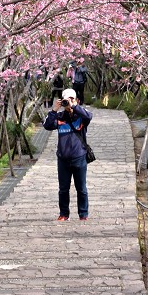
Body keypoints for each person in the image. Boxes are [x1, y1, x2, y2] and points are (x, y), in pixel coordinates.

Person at [43, 88, 93, 221]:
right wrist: (54, 110)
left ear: (76, 100)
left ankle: (83, 214)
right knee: (63, 189)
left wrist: (74, 106)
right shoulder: (59, 118)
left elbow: (89, 116)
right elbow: (47, 125)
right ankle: (64, 214)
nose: (68, 102)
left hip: (79, 157)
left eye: (71, 99)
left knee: (81, 188)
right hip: (63, 159)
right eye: (66, 100)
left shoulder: (81, 117)